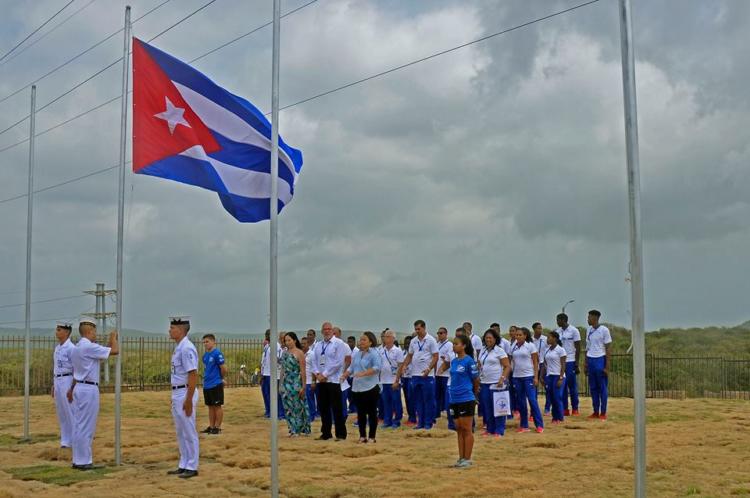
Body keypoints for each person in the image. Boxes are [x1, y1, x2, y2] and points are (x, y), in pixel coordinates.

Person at [67, 317, 119, 471]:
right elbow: (115, 351)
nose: (96, 334)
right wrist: (113, 338)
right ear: (89, 331)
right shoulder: (89, 347)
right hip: (88, 389)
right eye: (95, 331)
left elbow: (105, 353)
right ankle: (84, 461)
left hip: (79, 387)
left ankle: (78, 459)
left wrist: (71, 389)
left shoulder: (77, 348)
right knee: (86, 426)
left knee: (78, 425)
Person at [166, 317, 199, 478]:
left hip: (185, 392)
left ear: (180, 330)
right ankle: (184, 463)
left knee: (188, 430)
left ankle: (192, 465)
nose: (169, 330)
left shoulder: (186, 348)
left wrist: (188, 400)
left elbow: (192, 374)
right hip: (177, 392)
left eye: (172, 328)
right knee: (180, 431)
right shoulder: (179, 347)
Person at [311, 322, 348, 440]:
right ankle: (326, 433)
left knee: (337, 408)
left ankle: (341, 434)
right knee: (323, 408)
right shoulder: (318, 345)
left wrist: (325, 374)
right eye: (324, 329)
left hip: (333, 381)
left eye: (329, 329)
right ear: (321, 331)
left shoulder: (338, 343)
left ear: (332, 331)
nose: (327, 331)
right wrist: (317, 374)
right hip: (321, 382)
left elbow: (338, 362)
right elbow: (313, 361)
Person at [399, 320, 439, 430]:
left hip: (427, 375)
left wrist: (429, 368)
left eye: (419, 329)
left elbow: (436, 356)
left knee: (428, 400)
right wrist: (404, 366)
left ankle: (428, 423)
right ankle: (420, 422)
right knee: (418, 400)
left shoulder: (431, 340)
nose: (417, 331)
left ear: (424, 328)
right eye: (415, 329)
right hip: (415, 375)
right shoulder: (413, 341)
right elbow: (409, 355)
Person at [447, 334, 479, 468]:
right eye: (453, 344)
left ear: (464, 346)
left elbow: (475, 380)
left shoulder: (469, 361)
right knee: (458, 428)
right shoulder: (453, 362)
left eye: (456, 344)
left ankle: (468, 458)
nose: (454, 346)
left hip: (466, 398)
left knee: (466, 428)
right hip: (454, 398)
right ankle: (461, 458)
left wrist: (474, 393)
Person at [343, 332, 382, 443]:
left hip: (371, 387)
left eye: (364, 340)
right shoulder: (357, 354)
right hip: (358, 388)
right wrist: (345, 374)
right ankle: (362, 436)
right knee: (360, 413)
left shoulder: (374, 353)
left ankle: (372, 437)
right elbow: (351, 367)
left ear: (370, 341)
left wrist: (364, 373)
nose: (361, 342)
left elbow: (377, 368)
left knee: (372, 413)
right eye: (361, 340)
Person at [477, 328, 511, 437]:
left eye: (490, 338)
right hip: (484, 382)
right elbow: (479, 365)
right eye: (486, 338)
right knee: (487, 407)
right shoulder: (482, 350)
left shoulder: (499, 350)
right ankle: (490, 429)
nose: (488, 340)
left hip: (497, 383)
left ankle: (499, 430)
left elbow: (507, 366)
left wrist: (502, 378)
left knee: (499, 408)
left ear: (495, 339)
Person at [510, 327, 544, 433]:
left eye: (520, 335)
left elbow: (535, 362)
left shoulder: (530, 346)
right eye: (517, 335)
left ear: (525, 336)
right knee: (521, 402)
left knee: (532, 400)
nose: (518, 337)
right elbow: (512, 361)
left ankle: (539, 425)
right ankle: (524, 425)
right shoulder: (513, 346)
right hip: (517, 377)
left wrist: (536, 377)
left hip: (528, 376)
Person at [280, 332, 311, 436]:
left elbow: (303, 370)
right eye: (286, 341)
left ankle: (299, 428)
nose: (287, 342)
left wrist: (304, 386)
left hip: (296, 382)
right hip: (286, 382)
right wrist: (280, 384)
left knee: (297, 406)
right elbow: (283, 370)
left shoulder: (299, 353)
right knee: (288, 407)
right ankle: (292, 428)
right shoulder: (284, 353)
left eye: (289, 340)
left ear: (294, 340)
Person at [585, 310, 612, 420]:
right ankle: (595, 411)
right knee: (593, 388)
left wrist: (607, 366)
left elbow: (608, 348)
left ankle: (603, 412)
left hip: (600, 359)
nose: (587, 319)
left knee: (602, 388)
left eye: (589, 317)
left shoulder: (604, 330)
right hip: (591, 359)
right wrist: (585, 363)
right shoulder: (589, 330)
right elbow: (587, 347)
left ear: (595, 318)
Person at [52, 321, 75, 449]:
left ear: (66, 332)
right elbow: (56, 367)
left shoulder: (71, 348)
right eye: (57, 329)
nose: (57, 332)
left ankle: (73, 439)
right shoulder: (58, 348)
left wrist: (72, 387)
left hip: (67, 379)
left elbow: (75, 368)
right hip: (58, 380)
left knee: (69, 410)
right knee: (61, 411)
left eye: (59, 329)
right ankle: (65, 440)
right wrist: (53, 384)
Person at [556, 313, 581, 416]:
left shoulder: (574, 330)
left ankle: (575, 408)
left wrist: (576, 363)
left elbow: (578, 347)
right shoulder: (558, 331)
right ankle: (565, 408)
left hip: (570, 360)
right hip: (560, 361)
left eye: (558, 320)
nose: (557, 322)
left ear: (563, 320)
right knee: (563, 386)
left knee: (572, 386)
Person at [201, 334, 226, 435]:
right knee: (210, 406)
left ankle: (217, 427)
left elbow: (224, 368)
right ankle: (211, 426)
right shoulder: (205, 356)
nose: (205, 344)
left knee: (217, 406)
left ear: (213, 342)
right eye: (204, 342)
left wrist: (221, 378)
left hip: (215, 384)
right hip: (207, 385)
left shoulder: (217, 353)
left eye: (207, 342)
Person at [378, 329, 404, 429]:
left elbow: (400, 366)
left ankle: (397, 421)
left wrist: (397, 381)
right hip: (384, 381)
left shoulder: (397, 351)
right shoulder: (381, 350)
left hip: (393, 381)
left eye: (388, 336)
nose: (386, 338)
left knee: (396, 401)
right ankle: (387, 420)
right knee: (386, 402)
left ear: (393, 338)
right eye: (385, 336)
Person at [543, 331, 567, 423]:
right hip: (550, 376)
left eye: (549, 337)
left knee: (557, 397)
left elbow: (563, 365)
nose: (547, 339)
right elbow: (545, 363)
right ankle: (554, 417)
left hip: (558, 376)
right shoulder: (547, 350)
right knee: (551, 397)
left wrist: (561, 377)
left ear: (555, 339)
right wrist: (543, 375)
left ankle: (560, 417)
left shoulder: (561, 350)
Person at [532, 322, 550, 414]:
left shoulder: (545, 339)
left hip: (544, 364)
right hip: (534, 366)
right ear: (534, 329)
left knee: (547, 387)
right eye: (538, 328)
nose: (540, 330)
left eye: (541, 328)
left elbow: (549, 351)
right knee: (534, 387)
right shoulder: (530, 340)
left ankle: (547, 407)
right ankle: (534, 408)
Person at [434, 327, 452, 420]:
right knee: (436, 394)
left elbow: (449, 359)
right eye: (438, 333)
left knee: (446, 395)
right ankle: (436, 413)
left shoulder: (449, 345)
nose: (439, 335)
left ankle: (447, 412)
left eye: (441, 333)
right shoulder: (436, 344)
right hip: (437, 374)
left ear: (446, 334)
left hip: (446, 374)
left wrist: (444, 362)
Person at [400, 336, 416, 426]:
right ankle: (410, 416)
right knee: (406, 398)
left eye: (408, 343)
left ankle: (413, 417)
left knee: (411, 398)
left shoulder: (414, 354)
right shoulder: (402, 353)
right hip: (404, 377)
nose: (406, 345)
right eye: (405, 343)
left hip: (412, 377)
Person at [301, 337, 318, 422]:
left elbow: (314, 369)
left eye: (304, 343)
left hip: (309, 381)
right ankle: (305, 415)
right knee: (303, 399)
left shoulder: (312, 354)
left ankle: (312, 416)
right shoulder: (301, 354)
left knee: (310, 399)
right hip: (302, 381)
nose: (303, 345)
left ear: (308, 344)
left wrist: (313, 381)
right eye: (302, 343)